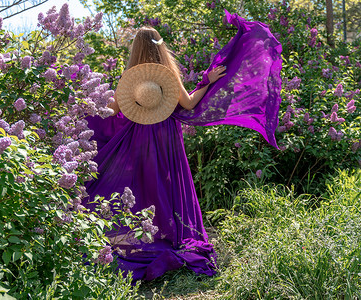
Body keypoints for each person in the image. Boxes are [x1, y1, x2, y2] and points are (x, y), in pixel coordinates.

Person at [84, 10, 283, 282]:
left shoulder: (130, 76)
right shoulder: (166, 75)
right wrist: (207, 82)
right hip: (165, 135)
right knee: (167, 184)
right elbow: (189, 104)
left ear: (136, 49)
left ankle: (139, 234)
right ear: (160, 46)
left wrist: (86, 108)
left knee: (141, 185)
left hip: (137, 135)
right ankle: (171, 234)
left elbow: (109, 111)